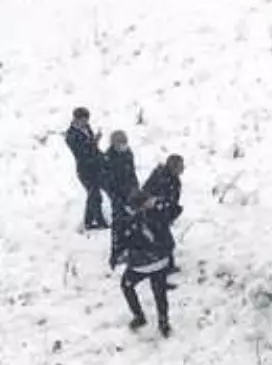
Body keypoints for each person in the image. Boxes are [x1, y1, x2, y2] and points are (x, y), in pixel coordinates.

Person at [114, 189, 173, 337]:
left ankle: (139, 316)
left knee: (126, 285)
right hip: (161, 261)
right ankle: (164, 323)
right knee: (160, 292)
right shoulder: (159, 213)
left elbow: (122, 242)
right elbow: (175, 211)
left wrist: (117, 256)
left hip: (140, 264)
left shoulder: (128, 220)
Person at [64, 106, 108, 230]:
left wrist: (102, 156)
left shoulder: (87, 128)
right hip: (85, 169)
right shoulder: (71, 135)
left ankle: (90, 221)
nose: (86, 123)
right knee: (94, 194)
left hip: (95, 166)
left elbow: (92, 148)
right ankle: (97, 221)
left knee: (94, 195)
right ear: (76, 119)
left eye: (87, 120)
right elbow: (82, 152)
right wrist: (94, 142)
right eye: (83, 120)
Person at [143, 154, 185, 273]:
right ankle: (162, 268)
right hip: (155, 216)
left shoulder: (172, 178)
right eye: (180, 167)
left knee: (164, 243)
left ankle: (166, 266)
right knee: (165, 243)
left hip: (162, 215)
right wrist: (160, 205)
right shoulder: (162, 178)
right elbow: (149, 196)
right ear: (173, 167)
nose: (182, 169)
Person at [103, 130, 139, 267]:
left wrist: (135, 189)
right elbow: (108, 182)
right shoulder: (108, 158)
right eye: (120, 143)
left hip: (130, 193)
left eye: (125, 143)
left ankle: (129, 249)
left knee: (131, 222)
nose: (123, 146)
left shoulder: (128, 153)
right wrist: (116, 198)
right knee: (119, 225)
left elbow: (132, 172)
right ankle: (116, 254)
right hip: (117, 195)